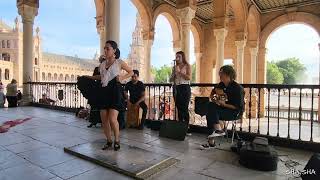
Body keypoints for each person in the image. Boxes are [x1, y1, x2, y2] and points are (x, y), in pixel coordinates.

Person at [85, 40, 133, 151]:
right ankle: (109, 141)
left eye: (108, 48)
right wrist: (88, 77)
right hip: (104, 91)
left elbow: (131, 72)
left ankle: (117, 140)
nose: (105, 50)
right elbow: (101, 77)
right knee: (104, 120)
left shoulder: (119, 62)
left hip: (115, 91)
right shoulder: (102, 65)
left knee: (112, 119)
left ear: (114, 50)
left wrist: (122, 78)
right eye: (104, 48)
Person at [200, 65, 244, 150]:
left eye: (221, 74)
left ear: (228, 75)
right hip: (223, 110)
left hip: (234, 112)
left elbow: (238, 107)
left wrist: (224, 104)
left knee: (211, 113)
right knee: (210, 106)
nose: (219, 75)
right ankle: (218, 130)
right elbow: (212, 92)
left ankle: (212, 141)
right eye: (219, 73)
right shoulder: (220, 84)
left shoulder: (238, 88)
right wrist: (212, 97)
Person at [169, 51, 192, 134]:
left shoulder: (187, 66)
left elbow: (189, 77)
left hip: (185, 88)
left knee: (184, 108)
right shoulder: (174, 67)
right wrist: (174, 75)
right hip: (176, 88)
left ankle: (187, 128)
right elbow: (171, 79)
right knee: (178, 108)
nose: (177, 58)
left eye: (179, 56)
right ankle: (180, 127)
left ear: (183, 57)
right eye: (176, 56)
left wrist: (180, 73)